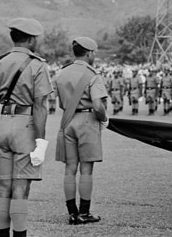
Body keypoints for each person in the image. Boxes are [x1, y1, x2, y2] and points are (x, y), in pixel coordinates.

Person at [0, 18, 53, 237]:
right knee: (21, 187)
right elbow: (40, 106)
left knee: (4, 187)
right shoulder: (37, 65)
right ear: (31, 40)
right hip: (26, 128)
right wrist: (40, 141)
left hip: (3, 124)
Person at [54, 37, 109, 225]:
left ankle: (72, 213)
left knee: (70, 169)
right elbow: (98, 105)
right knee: (86, 170)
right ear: (89, 53)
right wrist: (104, 118)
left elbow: (61, 104)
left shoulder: (61, 74)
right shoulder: (92, 75)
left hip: (68, 120)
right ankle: (84, 213)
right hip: (87, 121)